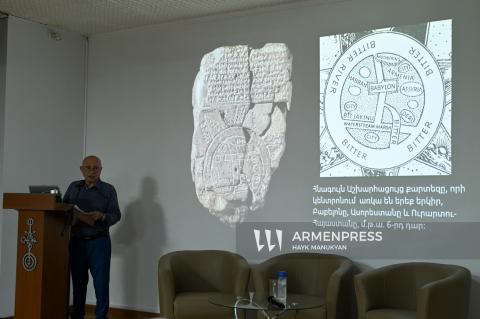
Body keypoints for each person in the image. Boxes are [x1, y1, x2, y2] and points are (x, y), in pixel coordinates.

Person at [63, 155, 121, 319]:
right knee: (79, 283)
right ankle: (78, 314)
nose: (92, 171)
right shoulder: (74, 187)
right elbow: (63, 208)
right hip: (76, 242)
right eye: (88, 167)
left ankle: (101, 316)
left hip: (99, 242)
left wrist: (102, 216)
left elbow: (116, 214)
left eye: (96, 168)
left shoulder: (108, 190)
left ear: (101, 170)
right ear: (81, 169)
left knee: (101, 283)